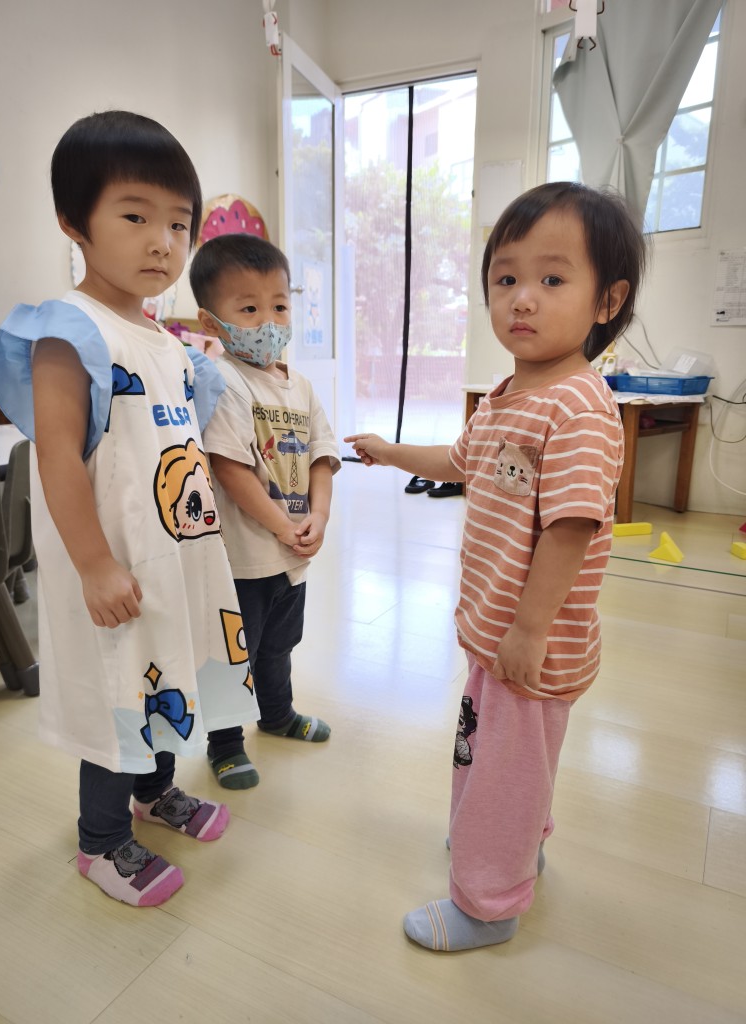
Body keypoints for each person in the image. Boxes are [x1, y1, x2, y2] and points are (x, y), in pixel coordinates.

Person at [346, 181, 646, 951]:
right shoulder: (510, 395)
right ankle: (509, 841)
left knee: (503, 764)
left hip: (528, 642)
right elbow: (459, 462)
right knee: (499, 758)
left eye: (552, 278)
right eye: (506, 278)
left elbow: (572, 529)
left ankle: (489, 903)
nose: (522, 298)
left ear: (607, 301)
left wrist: (529, 630)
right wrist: (390, 451)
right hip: (497, 631)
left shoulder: (578, 406)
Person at [0, 110, 260, 908]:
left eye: (178, 223)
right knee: (119, 696)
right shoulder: (68, 332)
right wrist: (95, 564)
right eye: (135, 217)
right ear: (74, 221)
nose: (162, 243)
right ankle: (102, 840)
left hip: (175, 557)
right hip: (110, 564)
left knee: (170, 670)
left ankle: (155, 792)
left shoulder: (169, 344)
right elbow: (57, 457)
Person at [189, 233, 340, 790]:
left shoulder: (300, 386)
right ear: (211, 322)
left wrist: (318, 518)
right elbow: (230, 470)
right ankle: (225, 744)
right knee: (236, 653)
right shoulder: (224, 381)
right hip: (244, 558)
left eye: (278, 306)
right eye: (248, 309)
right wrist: (282, 526)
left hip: (292, 552)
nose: (268, 321)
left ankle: (276, 715)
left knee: (279, 645)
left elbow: (322, 456)